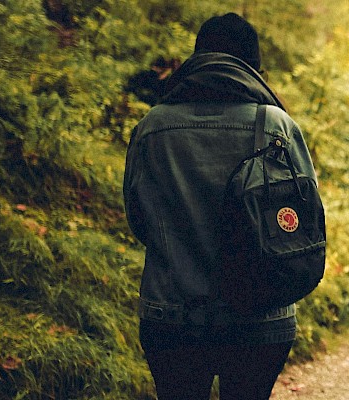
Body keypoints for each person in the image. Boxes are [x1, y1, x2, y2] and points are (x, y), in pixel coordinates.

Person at [123, 13, 307, 400]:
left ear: (196, 61)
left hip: (172, 318)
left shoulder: (152, 126)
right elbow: (303, 220)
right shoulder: (277, 125)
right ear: (255, 69)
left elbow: (138, 219)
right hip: (262, 317)